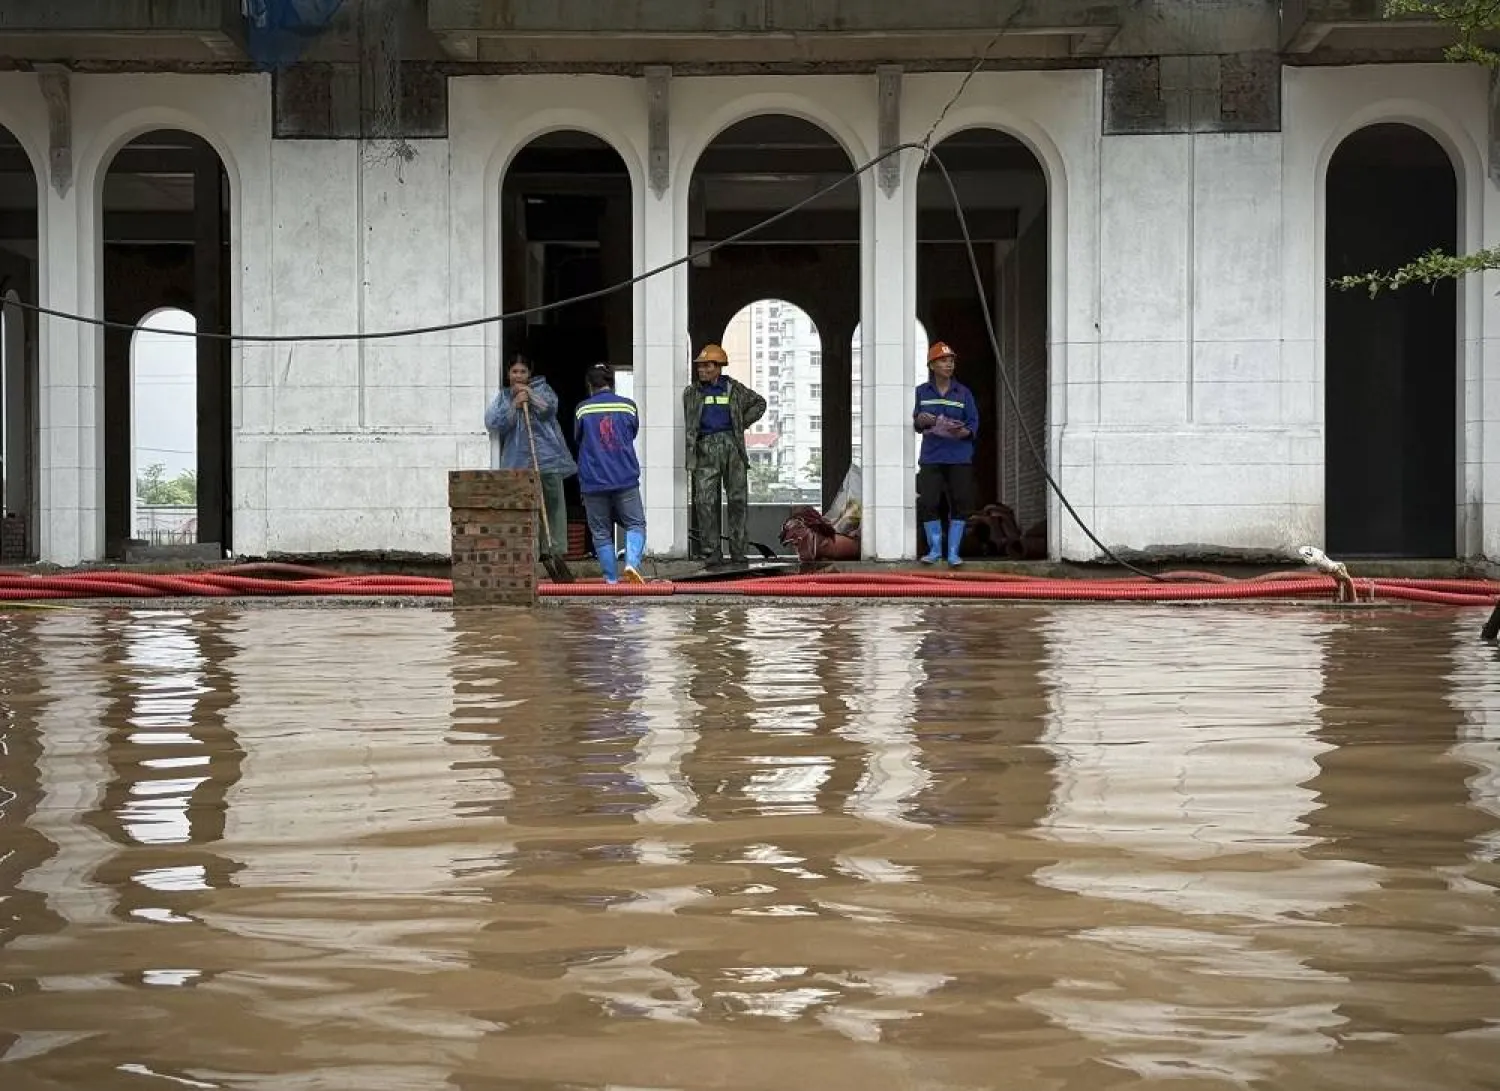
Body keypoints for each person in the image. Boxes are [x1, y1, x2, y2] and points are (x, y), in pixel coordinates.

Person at [484, 353, 576, 560]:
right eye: (514, 371)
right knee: (524, 507)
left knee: (553, 507)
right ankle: (528, 551)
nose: (518, 376)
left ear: (529, 373)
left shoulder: (542, 389)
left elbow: (549, 409)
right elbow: (493, 423)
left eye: (522, 372)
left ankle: (554, 551)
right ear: (508, 374)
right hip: (517, 462)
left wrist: (530, 395)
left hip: (548, 459)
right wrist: (514, 405)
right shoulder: (503, 397)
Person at [682, 343, 766, 567]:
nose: (702, 370)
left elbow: (760, 403)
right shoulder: (691, 392)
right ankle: (712, 552)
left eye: (707, 365)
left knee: (738, 500)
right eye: (700, 366)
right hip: (705, 448)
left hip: (732, 447)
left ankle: (738, 552)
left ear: (719, 367)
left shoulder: (734, 389)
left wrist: (739, 424)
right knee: (705, 501)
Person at [574, 363, 646, 584]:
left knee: (601, 532)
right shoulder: (628, 407)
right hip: (624, 477)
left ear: (589, 385)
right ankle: (632, 564)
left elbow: (578, 438)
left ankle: (611, 580)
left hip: (593, 481)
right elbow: (631, 433)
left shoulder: (582, 409)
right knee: (635, 524)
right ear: (612, 384)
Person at [913, 340, 980, 566]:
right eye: (943, 361)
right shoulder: (921, 392)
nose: (948, 364)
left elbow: (973, 422)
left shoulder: (964, 393)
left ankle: (953, 552)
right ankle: (934, 550)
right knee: (929, 502)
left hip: (959, 457)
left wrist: (963, 431)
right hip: (932, 456)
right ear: (932, 365)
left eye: (951, 361)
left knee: (960, 503)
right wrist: (921, 420)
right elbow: (916, 421)